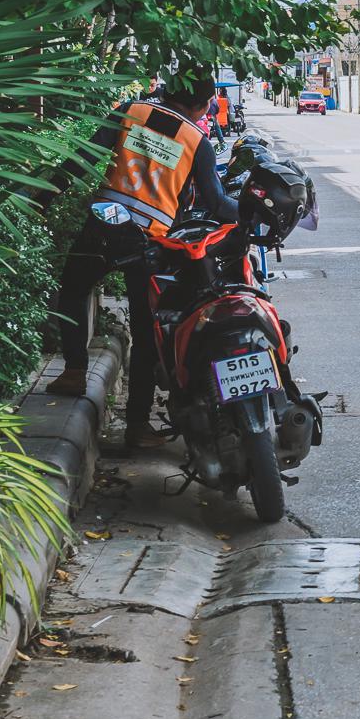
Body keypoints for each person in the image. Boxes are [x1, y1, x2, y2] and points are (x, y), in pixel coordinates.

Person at [41, 74, 243, 447]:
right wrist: (249, 212)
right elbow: (216, 204)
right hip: (150, 242)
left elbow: (81, 161)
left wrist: (43, 198)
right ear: (202, 105)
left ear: (168, 92)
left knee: (73, 290)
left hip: (104, 223)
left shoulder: (131, 111)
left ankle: (73, 371)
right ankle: (137, 426)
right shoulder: (196, 141)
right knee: (147, 334)